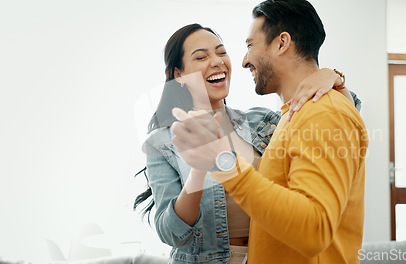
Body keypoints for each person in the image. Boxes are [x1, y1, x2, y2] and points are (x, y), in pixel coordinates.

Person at [136, 22, 360, 264]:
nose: (217, 61)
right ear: (179, 75)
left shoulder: (261, 121)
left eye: (221, 52)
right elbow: (170, 232)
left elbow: (345, 113)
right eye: (201, 57)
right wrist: (200, 169)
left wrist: (330, 75)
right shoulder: (161, 142)